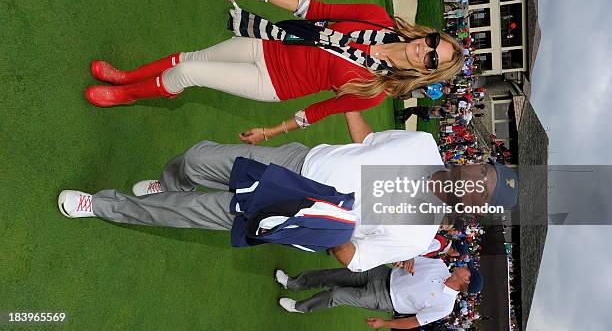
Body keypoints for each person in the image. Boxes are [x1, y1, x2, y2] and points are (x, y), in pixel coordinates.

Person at [57, 112, 519, 272]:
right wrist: (351, 100)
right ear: (475, 160)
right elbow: (366, 143)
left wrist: (330, 220)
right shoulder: (422, 143)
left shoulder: (418, 235)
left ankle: (101, 205)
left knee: (189, 211)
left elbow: (351, 258)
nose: (476, 181)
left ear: (472, 206)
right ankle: (168, 182)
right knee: (198, 158)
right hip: (296, 161)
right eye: (484, 172)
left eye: (482, 191)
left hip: (292, 208)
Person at [85, 0, 465, 144]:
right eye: (433, 43)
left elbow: (319, 111)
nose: (425, 51)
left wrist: (271, 131)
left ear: (427, 72)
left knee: (187, 73)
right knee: (188, 58)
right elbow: (316, 9)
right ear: (427, 34)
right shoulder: (374, 16)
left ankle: (126, 95)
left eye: (434, 59)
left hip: (274, 84)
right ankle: (127, 77)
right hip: (268, 41)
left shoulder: (375, 90)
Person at [274, 256, 483, 330]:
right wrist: (404, 260)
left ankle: (299, 307)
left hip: (385, 299)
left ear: (466, 280)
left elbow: (413, 322)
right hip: (383, 272)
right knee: (333, 275)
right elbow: (409, 259)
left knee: (336, 295)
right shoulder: (439, 265)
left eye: (468, 270)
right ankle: (293, 283)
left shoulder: (445, 306)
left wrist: (384, 324)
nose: (465, 266)